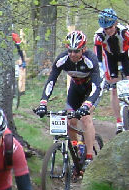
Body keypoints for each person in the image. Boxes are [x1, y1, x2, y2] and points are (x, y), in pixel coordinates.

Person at [35, 31, 101, 169]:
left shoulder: (91, 60)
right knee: (70, 120)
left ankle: (89, 157)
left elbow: (96, 87)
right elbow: (51, 80)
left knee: (85, 118)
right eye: (70, 51)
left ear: (84, 49)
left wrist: (86, 106)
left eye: (76, 51)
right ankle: (76, 149)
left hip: (91, 91)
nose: (72, 54)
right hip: (75, 89)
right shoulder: (62, 59)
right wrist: (43, 102)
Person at [94, 8, 129, 132]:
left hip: (126, 55)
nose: (108, 31)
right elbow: (98, 59)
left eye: (110, 27)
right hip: (110, 57)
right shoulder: (98, 36)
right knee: (113, 88)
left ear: (116, 23)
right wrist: (101, 76)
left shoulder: (125, 32)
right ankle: (118, 122)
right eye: (105, 28)